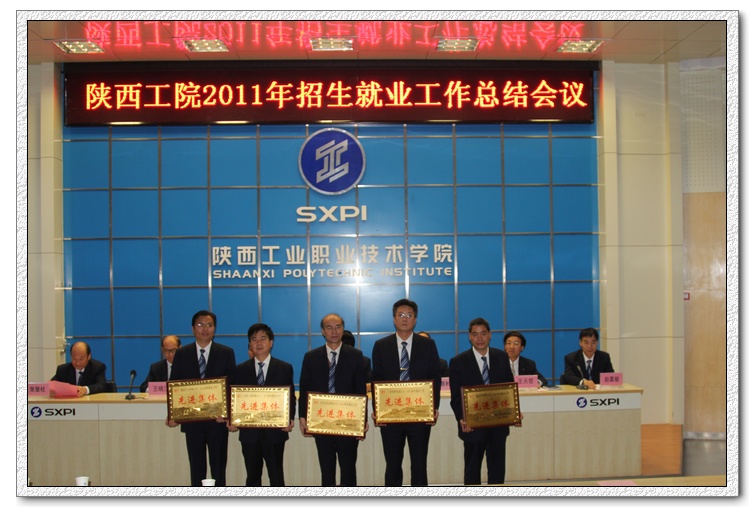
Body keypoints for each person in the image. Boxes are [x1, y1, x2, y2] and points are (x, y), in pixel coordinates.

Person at [371, 299, 441, 486]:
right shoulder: (381, 345)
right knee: (392, 463)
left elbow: (435, 377)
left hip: (419, 414)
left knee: (419, 463)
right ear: (394, 319)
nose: (405, 319)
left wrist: (433, 408)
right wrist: (378, 410)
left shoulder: (428, 345)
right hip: (391, 415)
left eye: (409, 315)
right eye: (400, 315)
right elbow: (376, 380)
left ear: (415, 320)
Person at [166, 310, 236, 487]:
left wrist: (228, 414)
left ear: (214, 328)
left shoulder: (226, 352)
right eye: (200, 325)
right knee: (196, 468)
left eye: (209, 325)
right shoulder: (182, 354)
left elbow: (231, 386)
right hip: (193, 422)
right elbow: (175, 385)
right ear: (192, 328)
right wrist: (172, 413)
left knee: (218, 468)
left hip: (217, 422)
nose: (205, 329)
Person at [298, 314, 367, 487]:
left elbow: (360, 390)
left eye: (337, 327)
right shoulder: (311, 357)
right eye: (329, 327)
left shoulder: (356, 356)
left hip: (348, 422)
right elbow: (305, 388)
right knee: (326, 470)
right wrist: (302, 416)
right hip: (321, 422)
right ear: (323, 331)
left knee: (348, 469)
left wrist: (363, 419)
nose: (334, 331)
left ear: (343, 329)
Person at [449, 317, 515, 485]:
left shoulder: (502, 357)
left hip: (498, 425)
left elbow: (508, 389)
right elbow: (455, 397)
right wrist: (462, 418)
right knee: (472, 470)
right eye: (475, 334)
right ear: (469, 336)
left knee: (497, 470)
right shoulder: (458, 362)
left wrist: (514, 411)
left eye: (483, 333)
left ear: (490, 335)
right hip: (472, 426)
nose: (479, 338)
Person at [229, 323, 295, 487]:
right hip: (249, 433)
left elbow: (290, 397)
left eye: (263, 338)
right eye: (254, 339)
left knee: (276, 477)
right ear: (249, 344)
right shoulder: (239, 370)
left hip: (275, 432)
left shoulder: (284, 368)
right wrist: (231, 418)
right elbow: (234, 398)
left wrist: (289, 418)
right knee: (252, 477)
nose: (258, 343)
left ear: (271, 342)